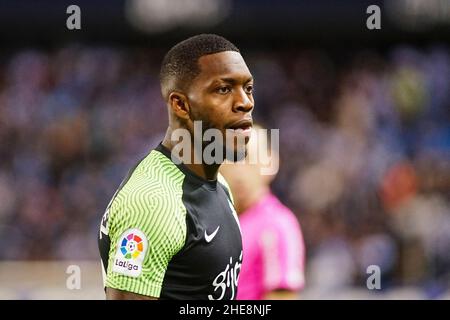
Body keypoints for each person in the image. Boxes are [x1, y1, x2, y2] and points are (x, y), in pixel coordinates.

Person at [98, 34, 255, 300]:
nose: (245, 102)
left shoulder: (218, 184)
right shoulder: (153, 203)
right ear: (180, 104)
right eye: (224, 89)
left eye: (248, 88)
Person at [220, 126, 306, 300]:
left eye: (247, 158)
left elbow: (282, 296)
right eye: (231, 159)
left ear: (268, 162)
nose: (239, 171)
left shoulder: (277, 225)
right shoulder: (213, 221)